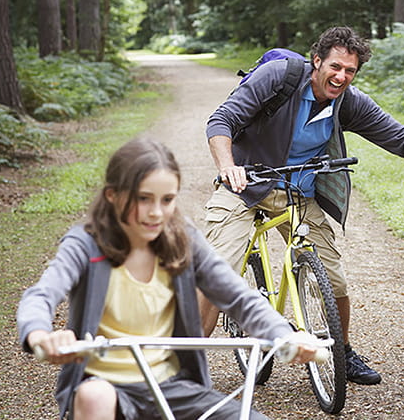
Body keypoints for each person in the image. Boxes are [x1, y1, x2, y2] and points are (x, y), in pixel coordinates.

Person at [202, 26, 404, 385]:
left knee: (333, 278)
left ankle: (341, 350)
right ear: (317, 61)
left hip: (297, 192)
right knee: (216, 273)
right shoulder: (278, 78)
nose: (341, 76)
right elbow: (221, 120)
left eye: (350, 70)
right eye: (335, 66)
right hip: (245, 184)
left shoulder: (349, 101)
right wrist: (228, 167)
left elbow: (403, 141)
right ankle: (186, 362)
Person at [17, 138, 319, 420]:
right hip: (105, 387)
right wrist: (41, 335)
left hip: (173, 387)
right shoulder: (86, 245)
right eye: (143, 199)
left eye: (167, 200)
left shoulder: (183, 240)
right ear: (112, 196)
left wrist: (284, 334)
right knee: (95, 396)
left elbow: (237, 296)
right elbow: (42, 294)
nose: (156, 213)